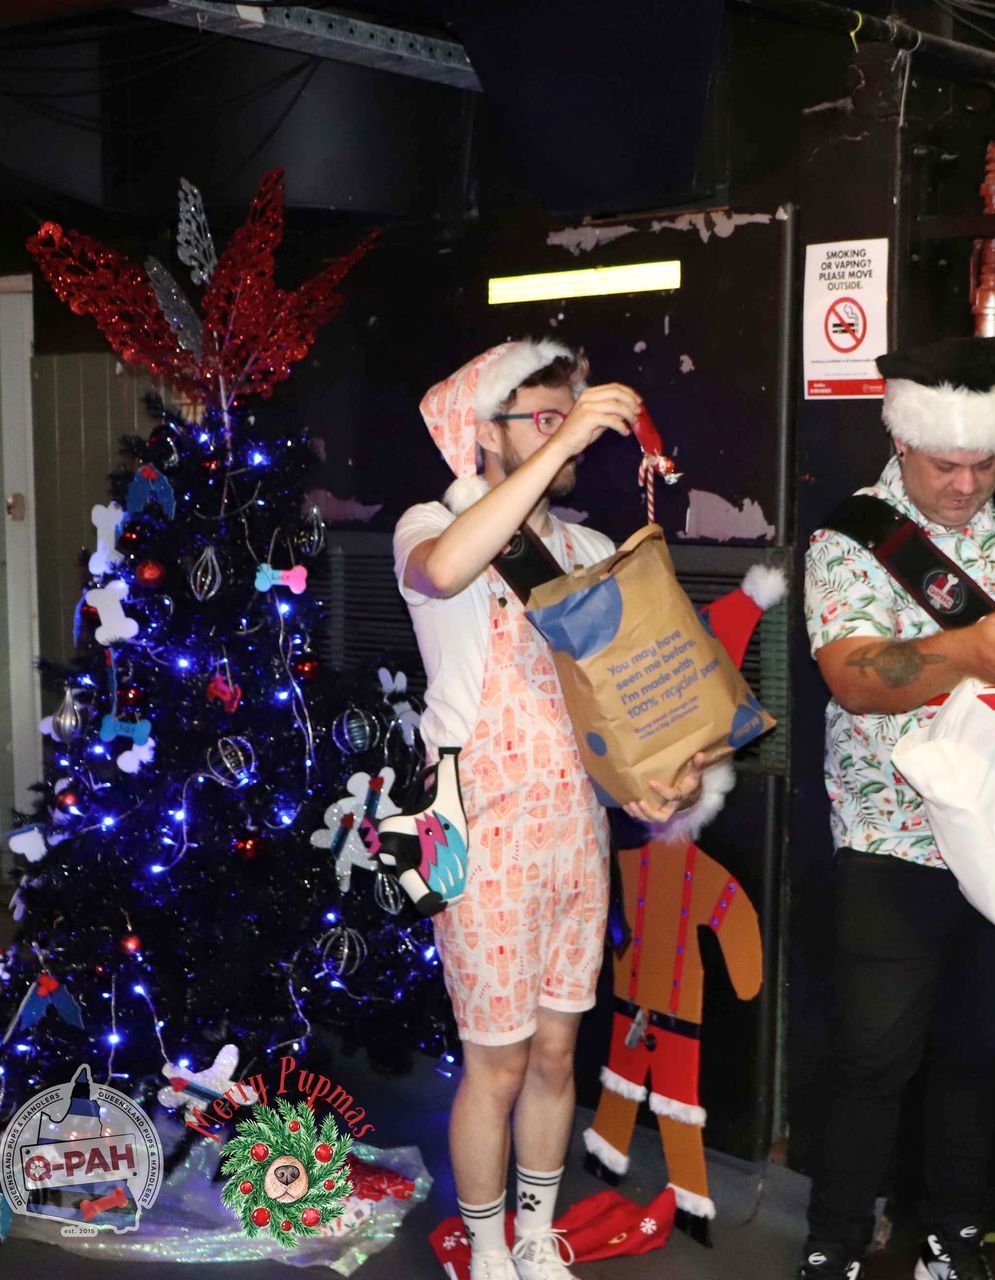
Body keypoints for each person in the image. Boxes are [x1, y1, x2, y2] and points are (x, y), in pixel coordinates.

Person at [799, 335, 995, 1280]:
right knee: (872, 1056)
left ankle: (955, 1236)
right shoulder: (850, 536)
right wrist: (970, 651)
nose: (967, 484)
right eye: (947, 464)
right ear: (901, 442)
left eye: (984, 463)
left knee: (980, 1049)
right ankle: (835, 1242)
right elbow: (853, 677)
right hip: (893, 835)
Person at [394, 339, 711, 1280]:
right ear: (485, 432)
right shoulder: (433, 521)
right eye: (540, 417)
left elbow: (623, 700)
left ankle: (535, 1233)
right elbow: (445, 571)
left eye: (566, 417)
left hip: (575, 827)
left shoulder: (586, 548)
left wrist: (667, 774)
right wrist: (563, 439)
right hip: (478, 828)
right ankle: (488, 1246)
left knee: (557, 1053)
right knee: (495, 1061)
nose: (563, 432)